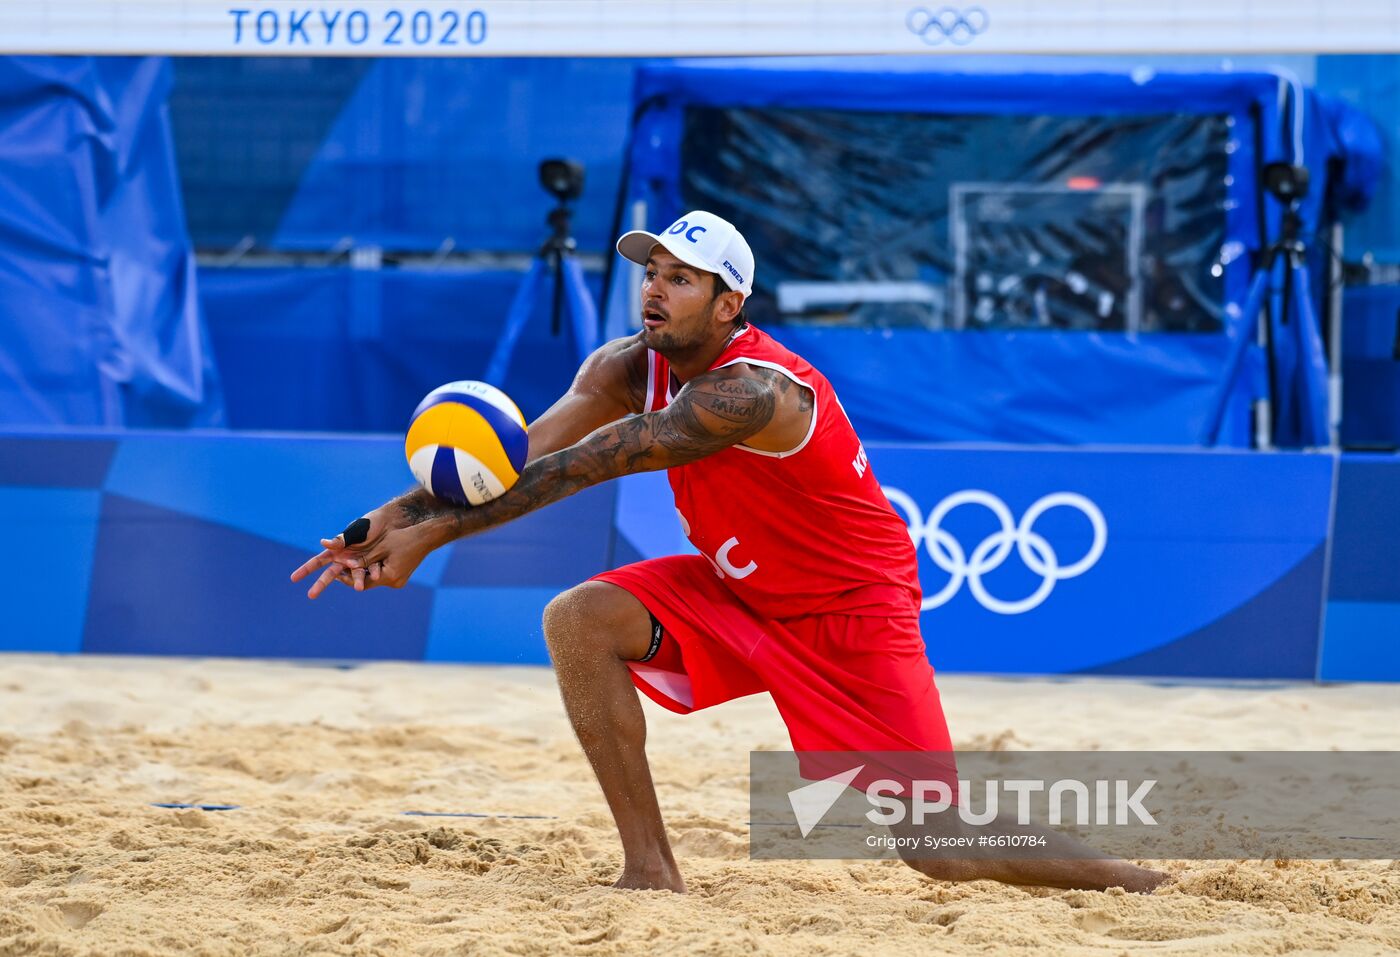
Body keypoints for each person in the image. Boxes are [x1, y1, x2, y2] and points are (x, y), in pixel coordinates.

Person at [291, 210, 1168, 895]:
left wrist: (433, 535)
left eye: (682, 278)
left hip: (850, 612)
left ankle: (1137, 881)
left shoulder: (750, 392)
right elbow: (517, 456)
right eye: (651, 272)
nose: (655, 289)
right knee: (580, 619)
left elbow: (582, 468)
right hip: (740, 592)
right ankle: (650, 868)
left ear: (728, 303)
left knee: (940, 849)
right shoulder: (625, 364)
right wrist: (383, 518)